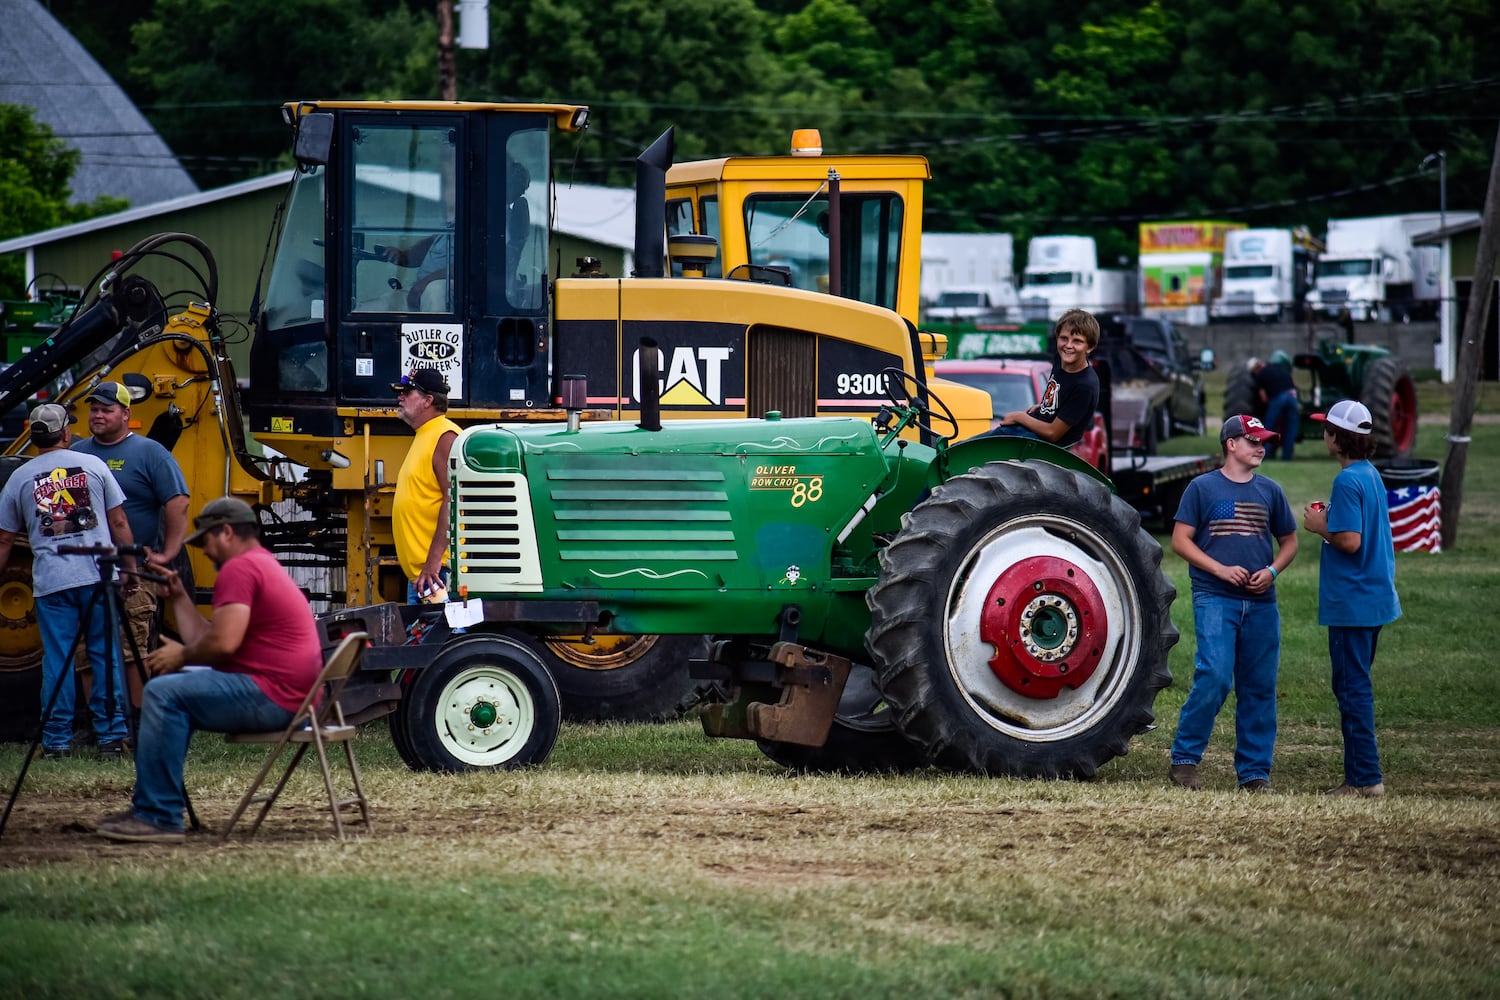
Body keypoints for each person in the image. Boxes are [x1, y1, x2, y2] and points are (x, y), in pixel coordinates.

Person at [94, 497, 323, 844]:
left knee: (162, 691)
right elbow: (211, 639)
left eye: (206, 542)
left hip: (275, 696)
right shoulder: (259, 564)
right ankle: (155, 806)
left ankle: (158, 815)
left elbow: (221, 646)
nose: (204, 552)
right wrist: (180, 597)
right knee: (172, 688)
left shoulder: (239, 569)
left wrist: (181, 657)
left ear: (226, 532)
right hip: (291, 695)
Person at [1168, 413, 1298, 793]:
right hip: (1215, 597)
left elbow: (1289, 542)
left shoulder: (1270, 491)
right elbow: (1180, 540)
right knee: (1215, 675)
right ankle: (1184, 761)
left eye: (1263, 441)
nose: (1261, 447)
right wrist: (1221, 570)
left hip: (1261, 604)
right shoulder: (1202, 488)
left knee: (1259, 687)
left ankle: (1255, 773)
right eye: (1253, 440)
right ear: (1231, 444)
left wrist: (1271, 572)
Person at [0, 403, 136, 759]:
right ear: (65, 433)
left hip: (52, 582)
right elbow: (119, 523)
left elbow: (3, 540)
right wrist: (132, 568)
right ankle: (111, 739)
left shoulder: (19, 478)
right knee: (105, 654)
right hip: (99, 576)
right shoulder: (94, 466)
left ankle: (57, 742)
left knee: (57, 661)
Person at [1301, 399, 1401, 798]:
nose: (1323, 434)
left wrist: (1318, 526)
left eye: (1326, 429)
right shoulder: (1369, 474)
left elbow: (1349, 541)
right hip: (1374, 599)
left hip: (1352, 603)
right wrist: (1333, 517)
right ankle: (1363, 775)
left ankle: (1364, 778)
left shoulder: (1346, 480)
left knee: (1352, 689)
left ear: (1336, 438)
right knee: (1356, 685)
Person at [70, 381, 190, 708]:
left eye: (106, 410)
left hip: (133, 569)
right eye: (94, 409)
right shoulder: (77, 453)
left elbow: (178, 502)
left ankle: (137, 719)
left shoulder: (149, 452)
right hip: (86, 569)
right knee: (86, 648)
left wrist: (169, 553)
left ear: (126, 414)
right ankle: (98, 723)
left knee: (132, 646)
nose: (98, 415)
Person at [391, 367, 461, 603]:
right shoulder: (425, 435)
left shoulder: (445, 436)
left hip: (438, 574)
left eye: (408, 392)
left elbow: (454, 501)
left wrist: (432, 563)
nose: (400, 397)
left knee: (444, 640)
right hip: (426, 575)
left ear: (428, 401)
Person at [986, 308, 1101, 449]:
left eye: (1077, 341)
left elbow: (1053, 433)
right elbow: (1059, 398)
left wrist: (1019, 417)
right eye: (1064, 338)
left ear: (1090, 347)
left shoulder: (1084, 386)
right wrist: (1042, 407)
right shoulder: (1061, 360)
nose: (1068, 345)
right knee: (962, 446)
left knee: (970, 453)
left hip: (1042, 445)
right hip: (1033, 427)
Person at [1253, 351, 1299, 461]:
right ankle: (1287, 457)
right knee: (1290, 428)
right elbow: (1293, 383)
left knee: (1269, 428)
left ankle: (1266, 455)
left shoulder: (1261, 374)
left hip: (1278, 398)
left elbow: (1263, 397)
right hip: (1292, 397)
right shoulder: (1283, 369)